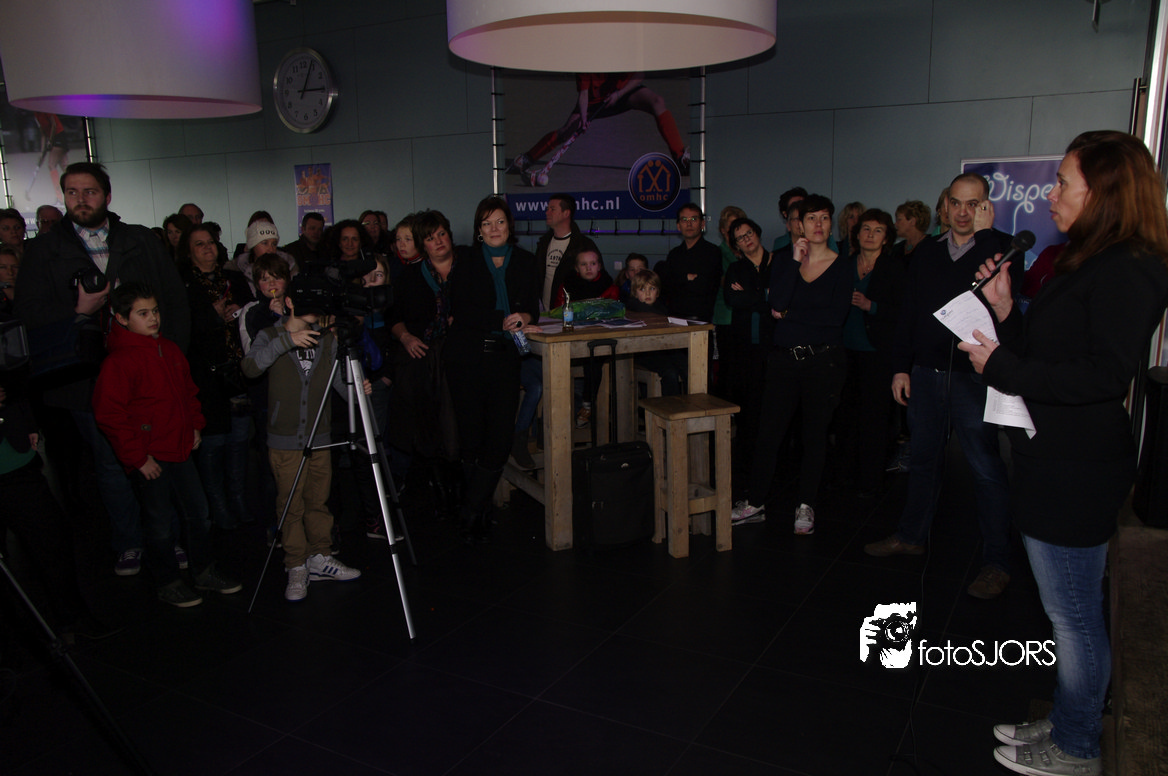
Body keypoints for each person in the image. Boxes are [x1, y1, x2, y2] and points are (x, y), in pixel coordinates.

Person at [957, 131, 1168, 776]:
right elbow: (1052, 352)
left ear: (1102, 192)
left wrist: (1001, 367)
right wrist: (1004, 311)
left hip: (1078, 467)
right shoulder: (1088, 259)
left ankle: (1077, 747)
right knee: (1066, 613)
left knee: (1073, 618)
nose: (1051, 195)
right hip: (1052, 457)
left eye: (1063, 182)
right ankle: (1071, 717)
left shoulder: (1131, 266)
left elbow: (1103, 375)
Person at [17, 161, 190, 577]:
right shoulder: (44, 249)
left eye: (90, 191)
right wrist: (76, 310)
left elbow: (173, 300)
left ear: (107, 196)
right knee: (111, 463)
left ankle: (167, 538)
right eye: (72, 192)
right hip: (84, 375)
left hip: (147, 372)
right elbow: (27, 313)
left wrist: (173, 359)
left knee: (160, 454)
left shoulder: (139, 240)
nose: (81, 199)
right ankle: (129, 541)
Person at [864, 172, 1021, 601]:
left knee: (985, 469)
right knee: (923, 460)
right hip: (927, 374)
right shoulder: (928, 252)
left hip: (975, 376)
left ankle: (997, 562)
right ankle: (911, 535)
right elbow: (909, 312)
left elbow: (1002, 301)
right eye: (956, 202)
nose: (963, 212)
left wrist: (988, 236)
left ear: (985, 207)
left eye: (974, 204)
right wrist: (902, 367)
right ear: (945, 205)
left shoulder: (1002, 248)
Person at [92, 282, 241, 607]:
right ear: (122, 319)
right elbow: (110, 416)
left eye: (155, 311)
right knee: (159, 523)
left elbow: (188, 392)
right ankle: (168, 582)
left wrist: (195, 426)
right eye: (143, 313)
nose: (153, 318)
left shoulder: (169, 349)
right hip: (150, 456)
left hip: (179, 448)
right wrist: (137, 458)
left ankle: (204, 571)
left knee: (199, 514)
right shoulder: (118, 362)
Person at [730, 195, 851, 535]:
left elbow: (835, 318)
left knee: (815, 435)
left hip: (822, 361)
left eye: (824, 217)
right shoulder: (785, 260)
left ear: (830, 223)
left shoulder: (843, 265)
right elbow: (777, 303)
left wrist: (790, 314)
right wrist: (796, 263)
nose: (818, 224)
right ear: (799, 224)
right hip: (784, 360)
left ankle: (806, 506)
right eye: (811, 218)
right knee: (769, 434)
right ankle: (755, 502)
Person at [241, 275, 364, 602]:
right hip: (284, 439)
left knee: (318, 501)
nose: (314, 308)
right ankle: (296, 563)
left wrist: (357, 389)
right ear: (290, 302)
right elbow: (250, 367)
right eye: (306, 300)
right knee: (290, 505)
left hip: (320, 437)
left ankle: (320, 557)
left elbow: (340, 384)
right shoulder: (270, 335)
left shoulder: (327, 339)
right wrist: (287, 341)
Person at [444, 196, 539, 543]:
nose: (494, 228)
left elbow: (532, 306)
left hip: (505, 358)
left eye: (499, 221)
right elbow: (460, 310)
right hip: (467, 359)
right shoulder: (466, 260)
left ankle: (470, 509)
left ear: (509, 226)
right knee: (471, 439)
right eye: (487, 223)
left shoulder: (526, 260)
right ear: (479, 230)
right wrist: (500, 319)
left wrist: (526, 316)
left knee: (499, 439)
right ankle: (478, 514)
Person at [180, 225, 255, 530]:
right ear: (189, 252)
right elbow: (182, 329)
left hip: (237, 373)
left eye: (210, 242)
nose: (207, 248)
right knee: (212, 446)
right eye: (199, 244)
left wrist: (241, 309)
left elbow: (254, 312)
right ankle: (218, 506)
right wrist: (211, 315)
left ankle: (238, 499)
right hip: (205, 377)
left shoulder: (234, 278)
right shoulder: (182, 284)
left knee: (239, 442)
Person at [388, 210, 461, 517]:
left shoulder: (469, 267)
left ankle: (456, 477)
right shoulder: (410, 277)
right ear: (423, 244)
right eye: (430, 238)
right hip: (423, 356)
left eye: (441, 234)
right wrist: (405, 337)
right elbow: (394, 317)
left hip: (461, 354)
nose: (438, 241)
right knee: (426, 416)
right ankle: (436, 476)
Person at [839, 209, 904, 497]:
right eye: (866, 228)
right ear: (857, 233)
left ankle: (871, 480)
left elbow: (904, 312)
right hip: (844, 351)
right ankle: (844, 475)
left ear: (886, 237)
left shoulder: (894, 268)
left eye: (878, 230)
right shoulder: (844, 265)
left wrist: (871, 306)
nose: (870, 235)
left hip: (877, 353)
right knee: (846, 417)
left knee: (875, 419)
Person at [512, 73, 689, 176]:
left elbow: (638, 76)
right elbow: (583, 94)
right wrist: (583, 117)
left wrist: (619, 95)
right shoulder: (586, 56)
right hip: (594, 102)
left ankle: (680, 157)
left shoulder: (624, 48)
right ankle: (529, 157)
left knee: (657, 101)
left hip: (624, 92)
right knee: (566, 131)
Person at [722, 216, 773, 478]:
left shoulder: (778, 262)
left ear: (757, 232)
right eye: (740, 238)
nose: (747, 239)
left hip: (775, 346)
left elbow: (782, 299)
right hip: (745, 348)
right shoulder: (735, 268)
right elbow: (733, 299)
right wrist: (764, 296)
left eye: (749, 233)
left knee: (773, 407)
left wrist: (750, 296)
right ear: (736, 245)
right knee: (749, 407)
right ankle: (748, 464)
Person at [655, 203, 723, 322]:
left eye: (694, 219)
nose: (689, 224)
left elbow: (703, 287)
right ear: (678, 226)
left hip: (700, 319)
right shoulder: (674, 254)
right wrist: (687, 278)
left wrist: (679, 279)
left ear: (702, 224)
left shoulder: (712, 252)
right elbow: (666, 286)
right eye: (684, 220)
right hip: (674, 318)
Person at [624, 270, 685, 395]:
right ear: (635, 292)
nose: (647, 293)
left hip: (664, 350)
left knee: (687, 364)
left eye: (652, 288)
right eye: (642, 289)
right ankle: (670, 404)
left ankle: (692, 402)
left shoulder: (662, 308)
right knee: (670, 372)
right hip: (644, 353)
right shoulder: (632, 308)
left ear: (657, 292)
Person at [535, 194, 588, 312]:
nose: (547, 213)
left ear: (566, 213)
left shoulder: (583, 245)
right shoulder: (543, 243)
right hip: (545, 314)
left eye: (552, 209)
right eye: (547, 209)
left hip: (570, 313)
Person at [890, 200, 931, 265]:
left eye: (899, 220)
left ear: (912, 221)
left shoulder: (931, 245)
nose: (895, 224)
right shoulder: (896, 249)